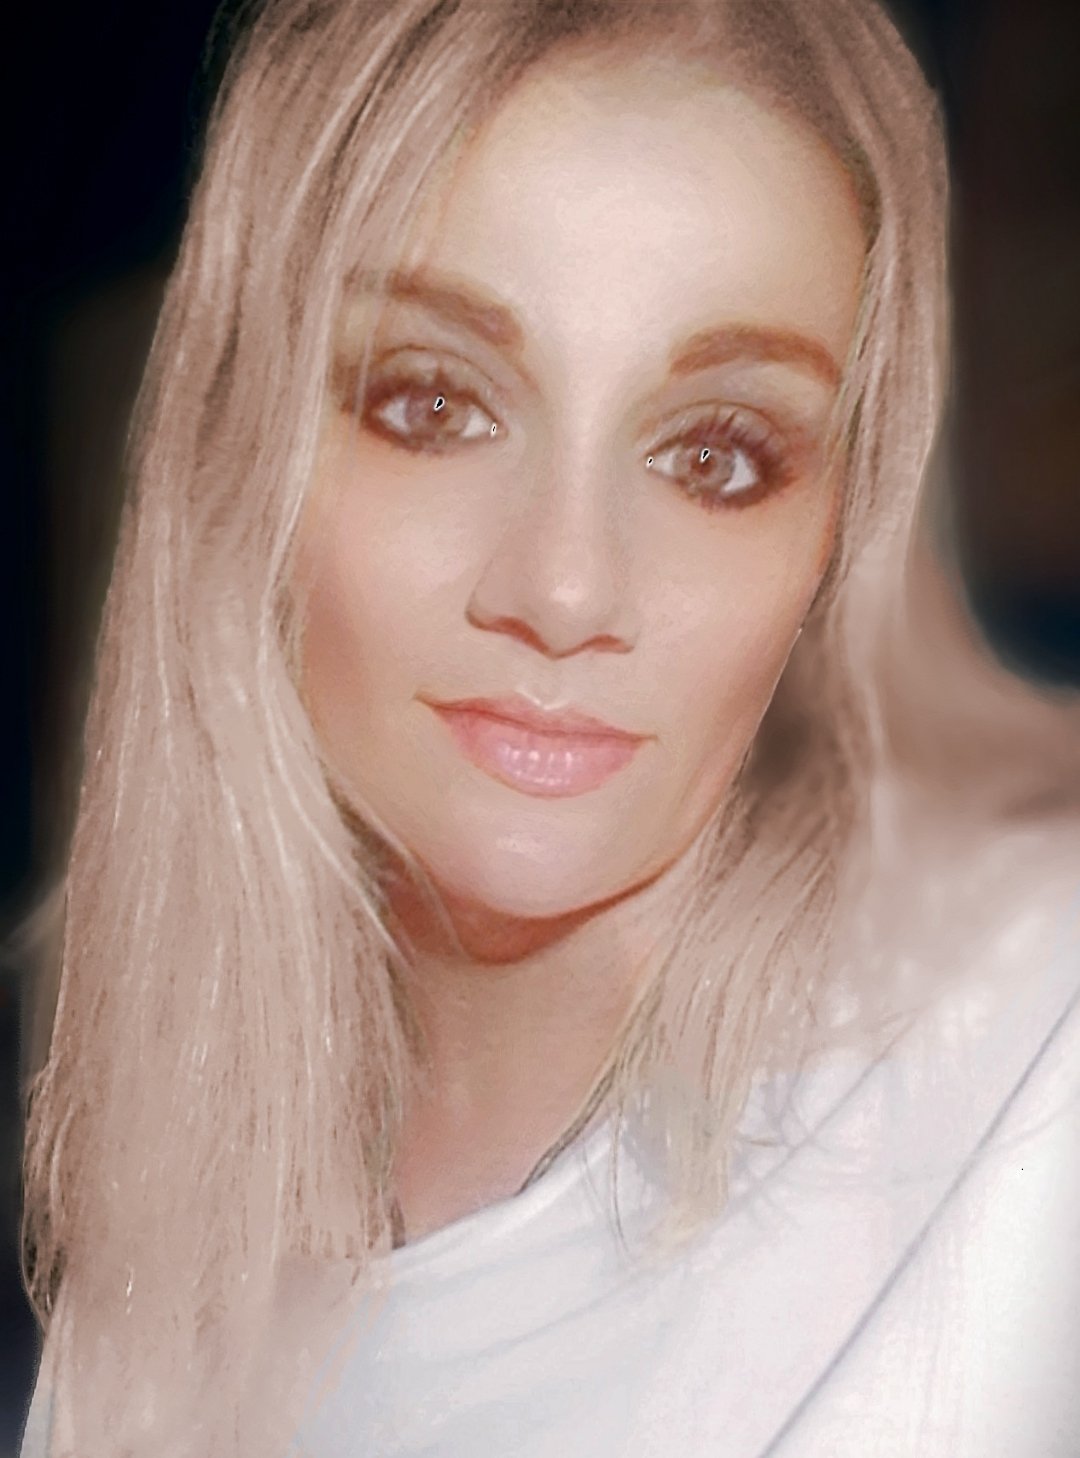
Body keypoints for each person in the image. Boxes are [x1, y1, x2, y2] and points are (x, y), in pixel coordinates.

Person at [13, 0, 1080, 1454]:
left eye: (716, 455)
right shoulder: (153, 1306)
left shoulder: (1035, 1054)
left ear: (844, 532)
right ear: (240, 449)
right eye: (435, 406)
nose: (567, 588)